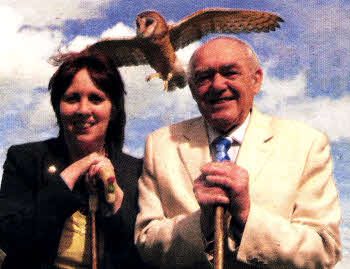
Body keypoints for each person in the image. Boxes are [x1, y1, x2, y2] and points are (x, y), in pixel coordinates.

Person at [135, 37, 342, 268]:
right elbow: (146, 243)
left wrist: (247, 215)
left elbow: (324, 249)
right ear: (192, 89)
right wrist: (202, 224)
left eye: (230, 73)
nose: (217, 85)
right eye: (204, 77)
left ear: (256, 80)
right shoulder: (160, 145)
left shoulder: (307, 144)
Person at [0, 49, 147, 268]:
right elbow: (11, 238)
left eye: (96, 99)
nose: (83, 109)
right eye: (72, 98)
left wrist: (113, 201)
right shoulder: (25, 159)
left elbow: (140, 257)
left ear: (113, 109)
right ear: (57, 105)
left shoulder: (136, 171)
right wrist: (68, 178)